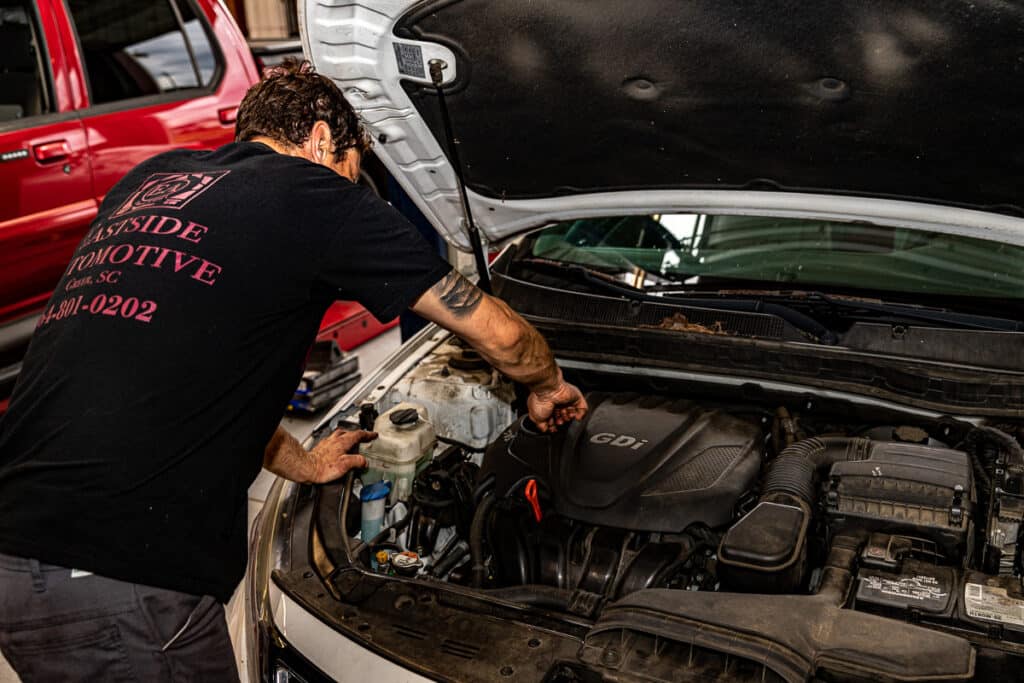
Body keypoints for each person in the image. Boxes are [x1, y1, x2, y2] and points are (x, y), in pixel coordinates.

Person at [0, 59, 587, 681]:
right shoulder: (316, 197)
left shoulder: (154, 180)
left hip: (17, 543)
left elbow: (198, 377)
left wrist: (307, 464)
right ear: (321, 139)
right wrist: (548, 386)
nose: (351, 187)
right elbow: (492, 329)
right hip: (114, 575)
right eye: (353, 171)